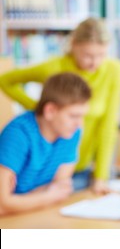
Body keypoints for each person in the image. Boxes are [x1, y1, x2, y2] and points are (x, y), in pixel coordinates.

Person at [0, 17, 120, 194]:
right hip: (48, 169)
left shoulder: (115, 70)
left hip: (84, 167)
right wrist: (40, 109)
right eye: (88, 55)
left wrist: (100, 177)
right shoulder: (54, 67)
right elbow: (5, 81)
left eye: (101, 55)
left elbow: (108, 127)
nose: (95, 62)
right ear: (73, 45)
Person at [0, 73, 91, 215]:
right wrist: (47, 195)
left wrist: (17, 202)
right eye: (73, 116)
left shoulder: (71, 133)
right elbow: (2, 202)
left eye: (82, 116)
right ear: (50, 111)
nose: (79, 124)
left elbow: (61, 190)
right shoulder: (18, 134)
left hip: (32, 215)